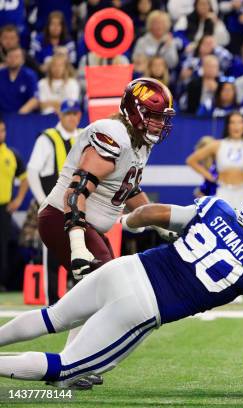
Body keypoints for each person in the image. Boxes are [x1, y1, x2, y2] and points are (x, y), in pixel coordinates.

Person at [0, 192, 243, 388]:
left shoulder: (217, 208)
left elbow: (153, 213)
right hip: (141, 306)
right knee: (68, 370)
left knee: (51, 317)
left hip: (127, 268)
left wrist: (130, 222)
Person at [37, 77, 176, 389]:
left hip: (81, 224)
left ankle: (70, 365)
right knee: (103, 289)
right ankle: (68, 367)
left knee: (97, 294)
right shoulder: (112, 134)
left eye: (162, 119)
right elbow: (76, 191)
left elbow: (127, 189)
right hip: (64, 217)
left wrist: (161, 223)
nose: (158, 125)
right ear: (135, 112)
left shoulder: (138, 142)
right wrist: (77, 244)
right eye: (154, 117)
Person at [27, 100, 82, 305]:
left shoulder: (84, 135)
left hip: (78, 206)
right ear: (60, 115)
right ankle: (52, 301)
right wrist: (43, 201)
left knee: (79, 253)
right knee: (51, 254)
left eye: (75, 113)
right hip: (55, 205)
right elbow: (33, 171)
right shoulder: (48, 138)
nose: (72, 117)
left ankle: (78, 303)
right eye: (68, 113)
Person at [186, 111, 243, 210]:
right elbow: (191, 160)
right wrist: (210, 177)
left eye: (240, 122)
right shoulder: (217, 145)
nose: (237, 126)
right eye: (233, 122)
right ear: (227, 125)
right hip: (222, 192)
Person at [0, 118, 29, 291]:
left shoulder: (11, 155)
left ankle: (2, 282)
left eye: (2, 130)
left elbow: (25, 179)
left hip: (4, 209)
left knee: (2, 247)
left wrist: (18, 200)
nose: (0, 133)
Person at [0, 47, 39, 114]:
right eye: (10, 56)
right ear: (6, 59)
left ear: (23, 60)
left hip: (22, 117)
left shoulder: (29, 75)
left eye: (16, 57)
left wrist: (19, 116)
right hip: (2, 117)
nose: (13, 59)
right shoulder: (1, 74)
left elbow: (34, 100)